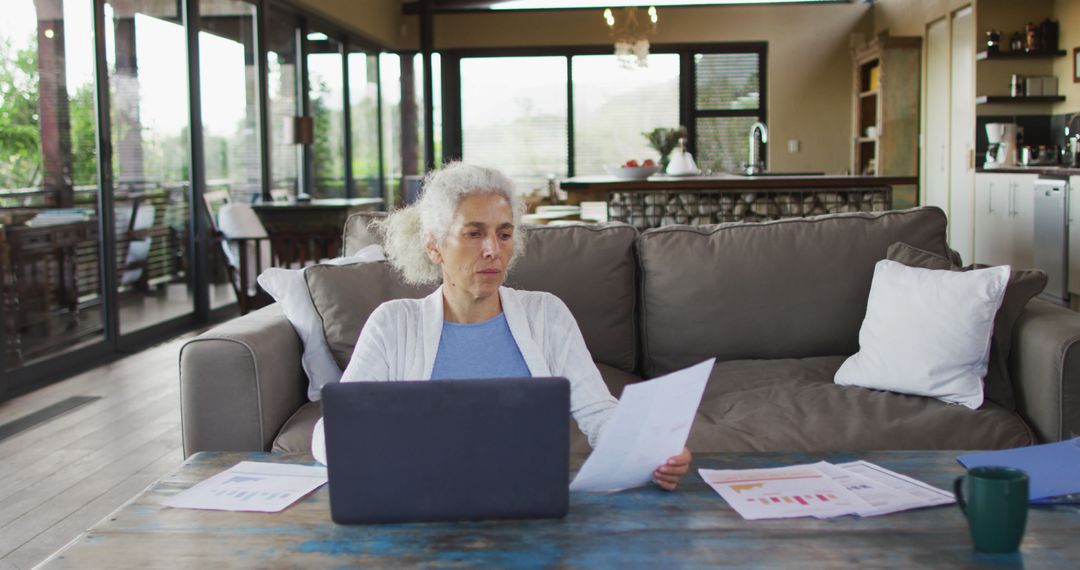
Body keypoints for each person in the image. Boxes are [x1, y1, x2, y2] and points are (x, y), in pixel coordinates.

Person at [311, 162, 691, 490]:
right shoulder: (393, 324)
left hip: (530, 504)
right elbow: (331, 438)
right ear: (434, 246)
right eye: (474, 233)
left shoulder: (547, 314)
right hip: (421, 505)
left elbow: (599, 414)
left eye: (504, 234)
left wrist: (654, 452)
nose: (493, 249)